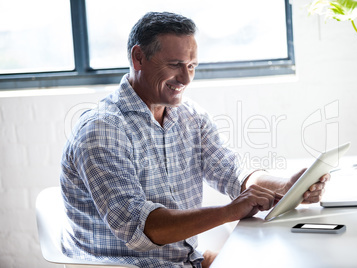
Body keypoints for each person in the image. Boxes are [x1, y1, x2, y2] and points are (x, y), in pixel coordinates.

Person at [60, 11, 329, 268]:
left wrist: (289, 187)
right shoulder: (103, 130)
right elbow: (139, 228)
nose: (186, 78)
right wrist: (229, 211)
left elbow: (232, 172)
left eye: (191, 66)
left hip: (188, 261)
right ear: (139, 58)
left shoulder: (188, 115)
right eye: (175, 65)